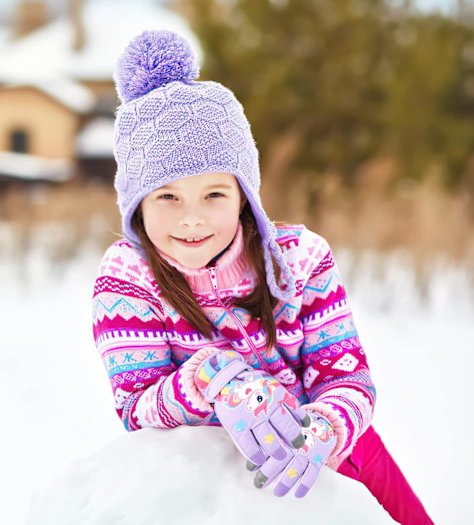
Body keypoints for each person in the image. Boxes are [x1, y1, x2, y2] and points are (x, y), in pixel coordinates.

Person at [92, 29, 433, 523]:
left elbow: (347, 377)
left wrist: (323, 429)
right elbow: (136, 407)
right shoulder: (128, 279)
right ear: (136, 205)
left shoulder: (299, 259)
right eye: (167, 197)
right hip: (222, 487)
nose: (192, 218)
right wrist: (210, 378)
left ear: (245, 199)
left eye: (214, 195)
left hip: (345, 462)